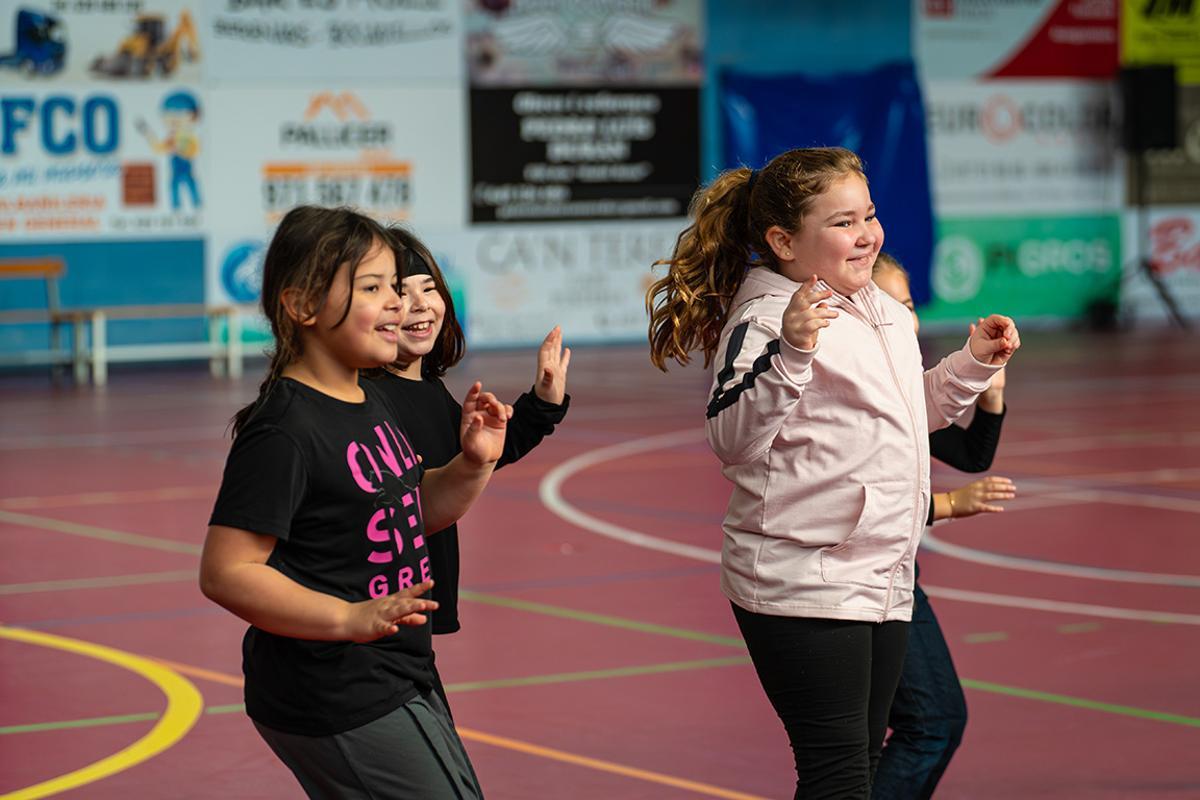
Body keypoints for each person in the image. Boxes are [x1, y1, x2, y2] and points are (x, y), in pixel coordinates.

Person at [645, 146, 1020, 799]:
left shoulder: (876, 307)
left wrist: (971, 366)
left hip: (881, 568)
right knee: (840, 773)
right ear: (784, 240)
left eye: (869, 215)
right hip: (802, 578)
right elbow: (732, 438)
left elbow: (909, 415)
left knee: (856, 768)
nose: (867, 233)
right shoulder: (766, 318)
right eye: (844, 222)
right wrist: (792, 351)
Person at [200, 205, 511, 800]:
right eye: (373, 288)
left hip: (395, 666)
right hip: (336, 687)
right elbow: (226, 572)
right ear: (303, 305)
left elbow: (412, 509)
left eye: (394, 286)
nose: (397, 302)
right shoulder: (284, 429)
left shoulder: (368, 399)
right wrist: (347, 618)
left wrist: (473, 464)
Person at [364, 229, 570, 706]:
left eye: (428, 288)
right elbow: (414, 502)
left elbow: (473, 462)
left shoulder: (430, 389)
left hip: (410, 621)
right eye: (399, 292)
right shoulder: (366, 399)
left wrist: (542, 402)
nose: (418, 304)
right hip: (376, 616)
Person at [871, 254, 1015, 800]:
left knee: (919, 729)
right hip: (868, 581)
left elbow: (970, 453)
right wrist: (950, 505)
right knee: (929, 724)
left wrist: (992, 392)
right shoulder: (864, 390)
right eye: (891, 304)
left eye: (909, 304)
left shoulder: (903, 383)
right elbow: (866, 498)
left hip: (895, 573)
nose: (905, 317)